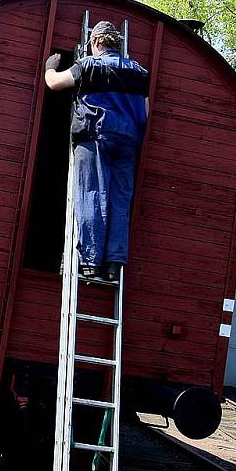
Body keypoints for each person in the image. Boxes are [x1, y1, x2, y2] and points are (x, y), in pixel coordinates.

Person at [44, 20, 150, 281]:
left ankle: (91, 262)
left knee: (92, 193)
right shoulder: (139, 72)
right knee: (119, 200)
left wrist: (49, 68)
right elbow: (145, 113)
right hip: (128, 141)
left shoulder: (89, 65)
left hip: (96, 136)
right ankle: (114, 263)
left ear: (95, 43)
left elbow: (55, 84)